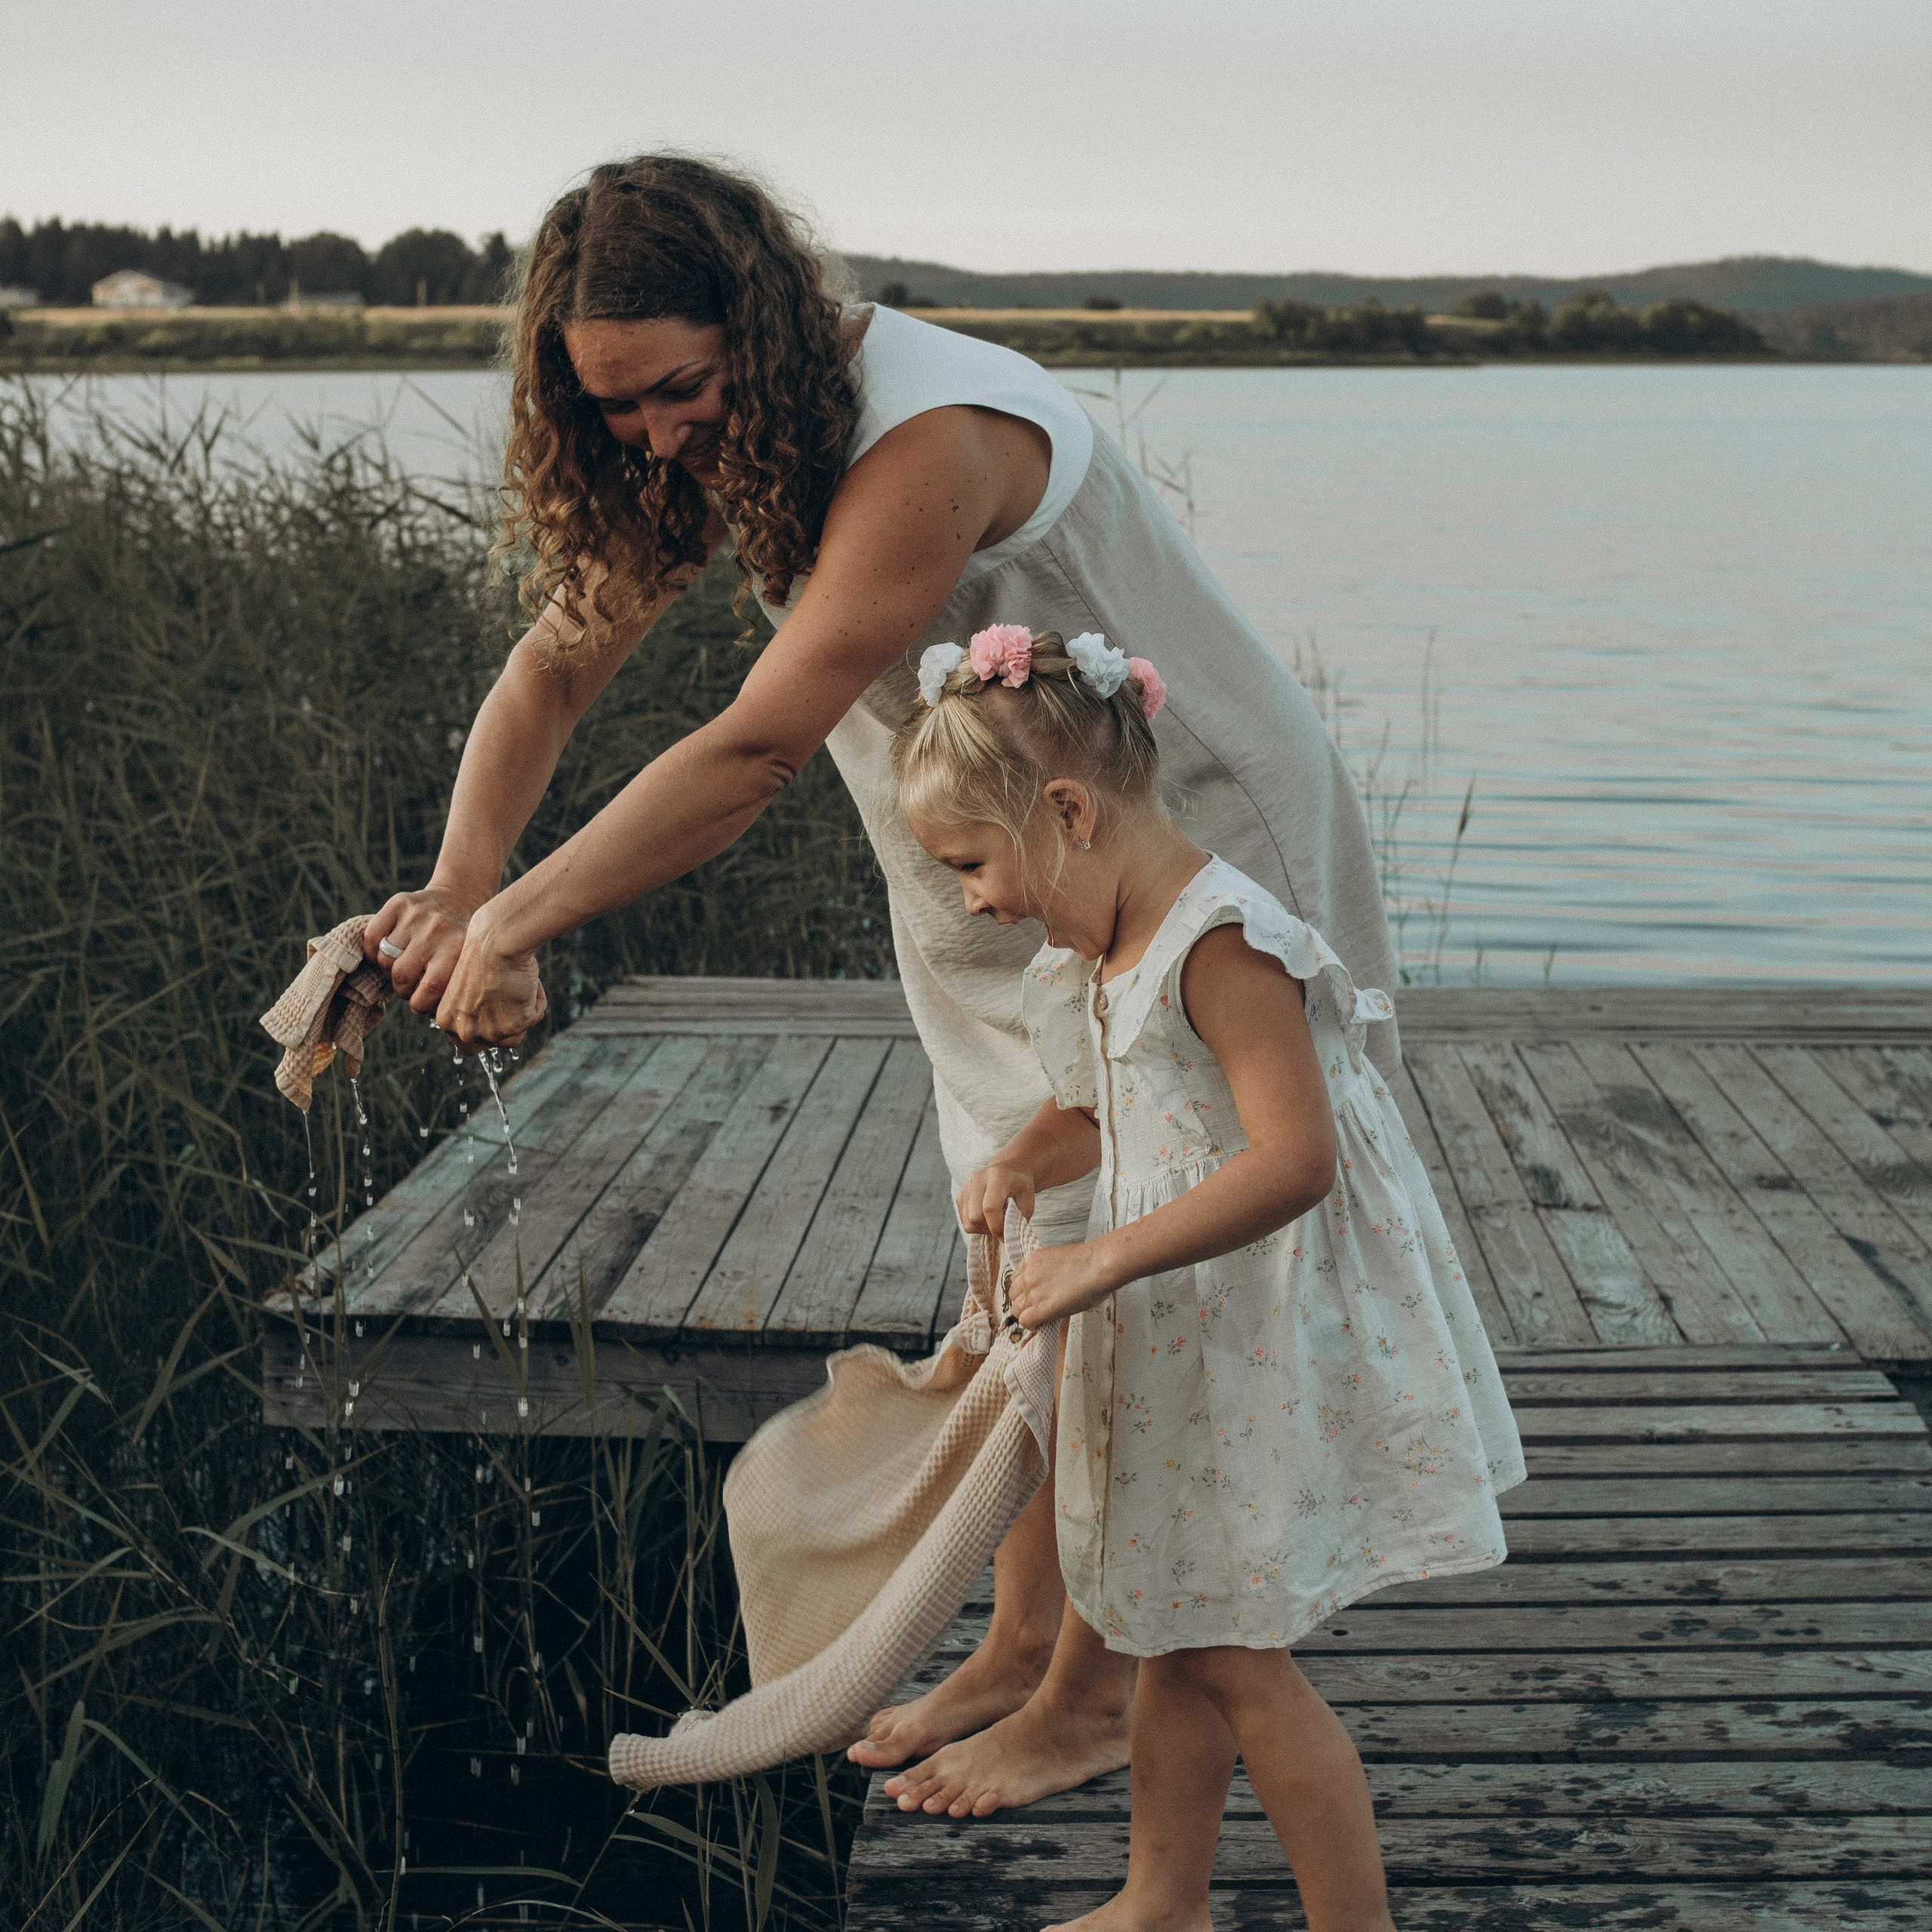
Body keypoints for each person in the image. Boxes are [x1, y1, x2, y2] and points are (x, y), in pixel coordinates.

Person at [362, 152, 1401, 1816]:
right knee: (1013, 1244)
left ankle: (1081, 1690)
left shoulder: (928, 435)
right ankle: (1011, 1647)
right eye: (609, 406)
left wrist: (524, 927)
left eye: (674, 390)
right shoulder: (714, 430)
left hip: (1172, 829)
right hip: (993, 858)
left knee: (1114, 1269)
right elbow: (555, 661)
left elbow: (761, 742)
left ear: (755, 328)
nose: (648, 437)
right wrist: (464, 880)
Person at [892, 626, 1524, 1929]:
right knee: (1169, 1628)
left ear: (1067, 812)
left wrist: (1101, 1257)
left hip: (1249, 1339)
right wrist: (1021, 1158)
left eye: (970, 863)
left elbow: (1300, 1161)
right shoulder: (1097, 950)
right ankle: (1161, 1900)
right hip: (1179, 1334)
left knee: (1238, 1658)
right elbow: (1102, 1112)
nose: (972, 901)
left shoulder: (1223, 941)